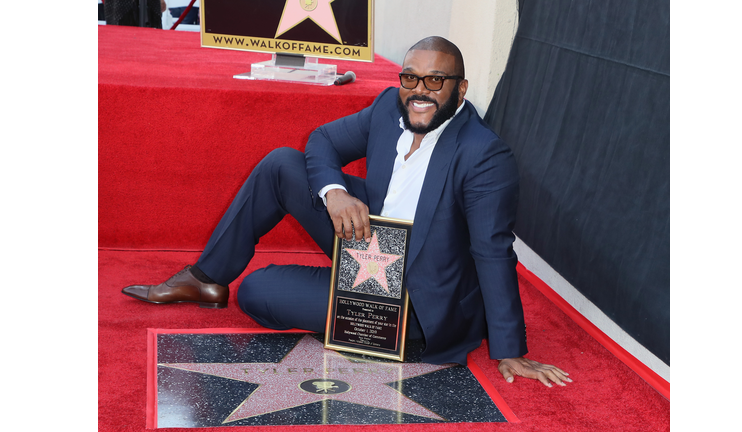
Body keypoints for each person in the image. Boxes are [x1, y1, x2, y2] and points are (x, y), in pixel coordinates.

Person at [122, 36, 571, 388]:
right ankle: (205, 280)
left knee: (257, 292)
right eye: (410, 78)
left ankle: (367, 332)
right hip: (366, 237)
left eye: (435, 81)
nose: (419, 91)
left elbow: (493, 253)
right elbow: (323, 140)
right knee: (282, 164)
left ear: (460, 88)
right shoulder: (387, 108)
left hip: (412, 296)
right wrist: (334, 192)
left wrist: (509, 347)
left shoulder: (485, 156)